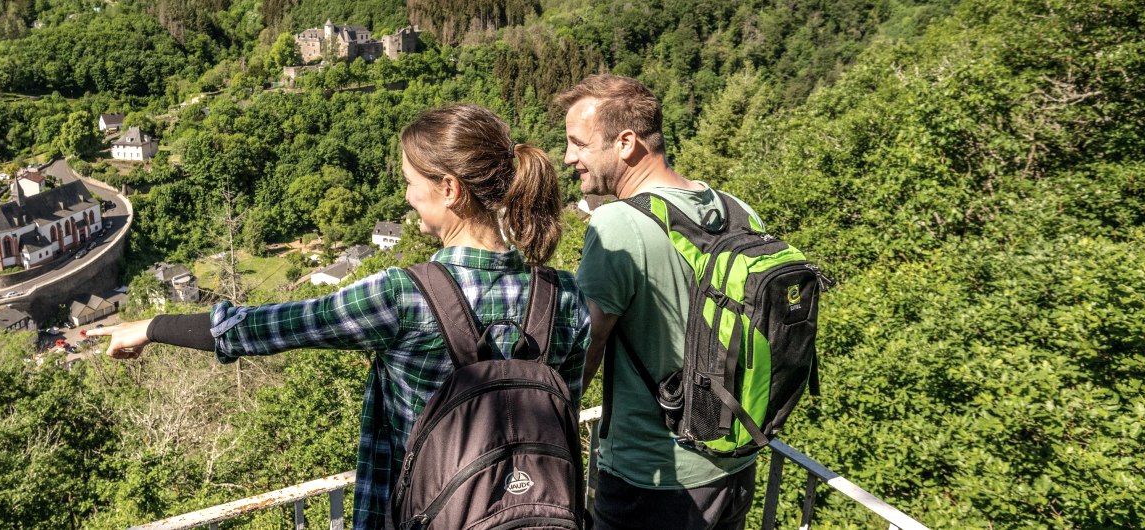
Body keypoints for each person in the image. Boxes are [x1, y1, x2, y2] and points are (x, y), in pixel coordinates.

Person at [100, 104, 591, 530]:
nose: (405, 196)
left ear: (449, 188)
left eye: (409, 182)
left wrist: (149, 327)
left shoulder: (405, 294)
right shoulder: (563, 296)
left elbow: (262, 328)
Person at [557, 74, 763, 530]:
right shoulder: (737, 210)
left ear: (625, 142)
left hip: (651, 478)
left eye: (578, 143)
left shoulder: (618, 226)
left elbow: (581, 359)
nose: (570, 157)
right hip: (735, 465)